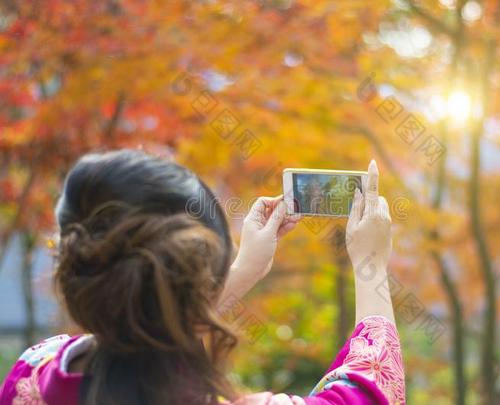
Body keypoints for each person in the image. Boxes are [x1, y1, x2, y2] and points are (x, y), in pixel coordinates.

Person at [0, 150, 405, 405]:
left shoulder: (30, 375)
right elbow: (371, 392)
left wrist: (243, 271)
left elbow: (139, 329)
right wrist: (370, 263)